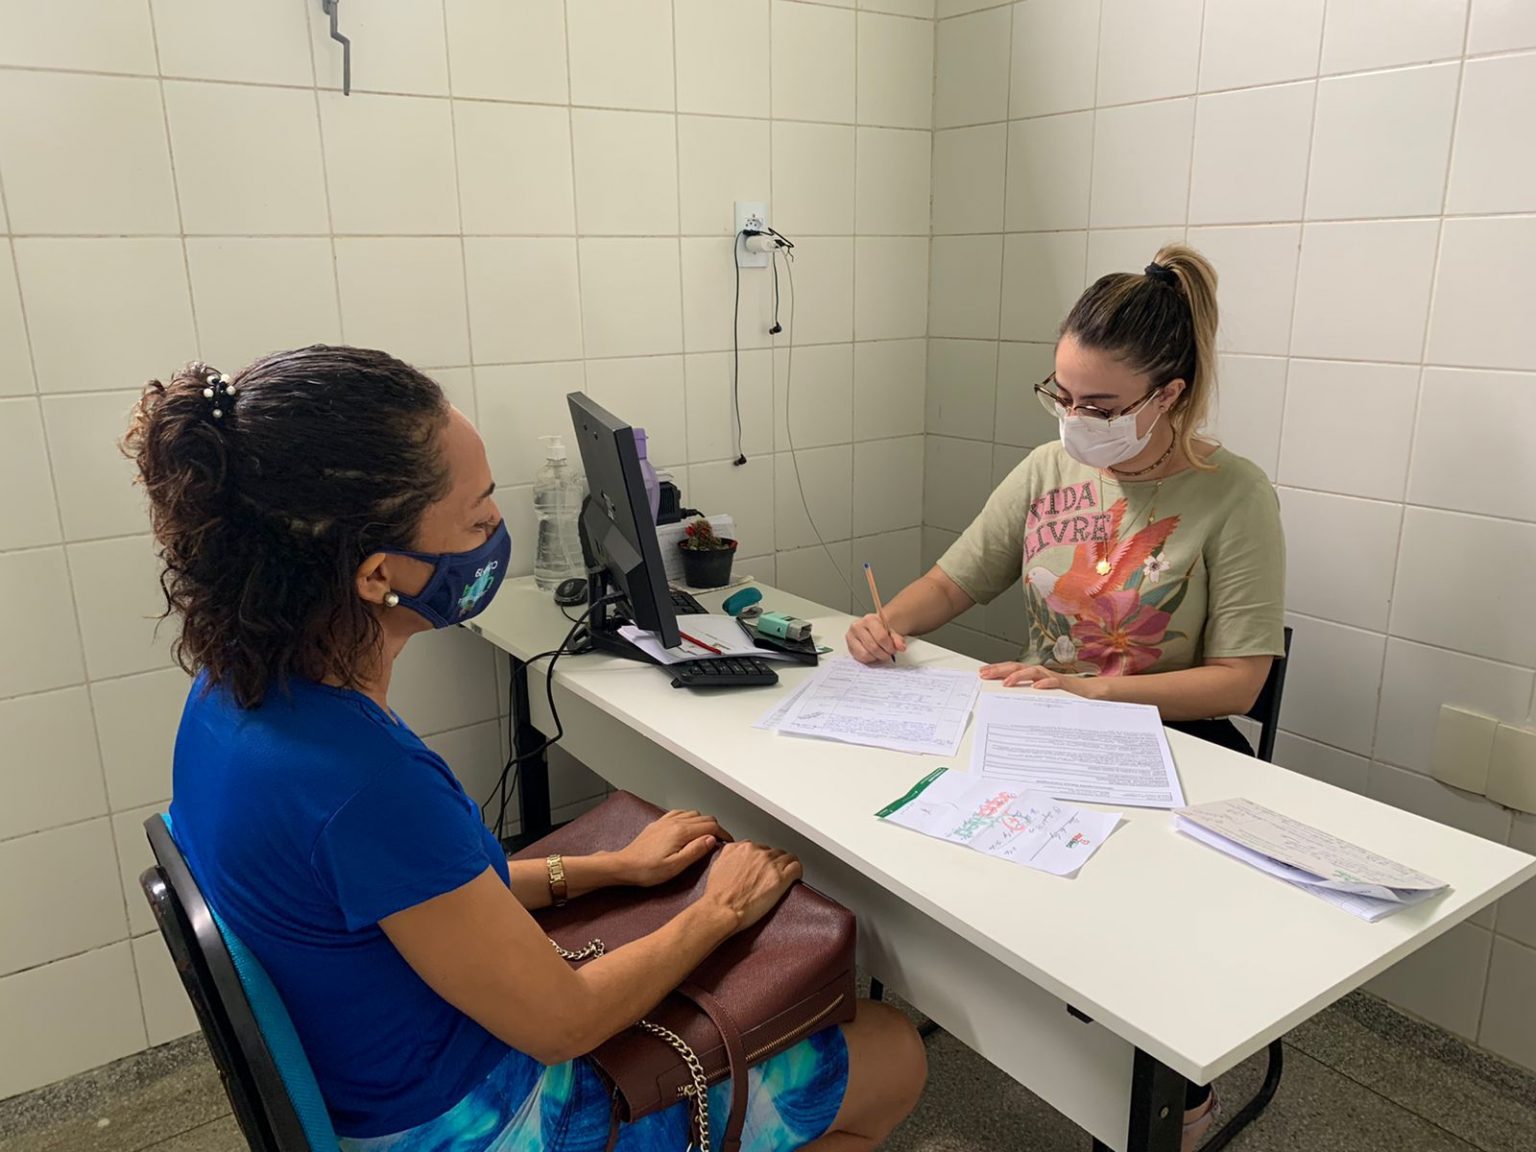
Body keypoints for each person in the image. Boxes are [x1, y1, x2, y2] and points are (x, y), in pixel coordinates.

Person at [127, 346, 925, 1152]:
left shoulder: (230, 696)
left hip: (379, 1087)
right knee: (891, 1053)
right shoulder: (366, 785)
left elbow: (420, 891)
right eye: (478, 519)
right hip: (484, 1123)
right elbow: (563, 1022)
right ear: (377, 575)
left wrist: (610, 868)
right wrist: (719, 910)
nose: (496, 533)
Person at [844, 245, 1285, 1146]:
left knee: (1117, 920)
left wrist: (1085, 692)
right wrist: (886, 624)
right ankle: (1005, 1015)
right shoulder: (1050, 471)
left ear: (1169, 393)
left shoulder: (1233, 496)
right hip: (1038, 729)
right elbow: (958, 580)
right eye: (1063, 395)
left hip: (1170, 747)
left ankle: (1169, 1095)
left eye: (1101, 406)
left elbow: (1241, 679)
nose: (1076, 420)